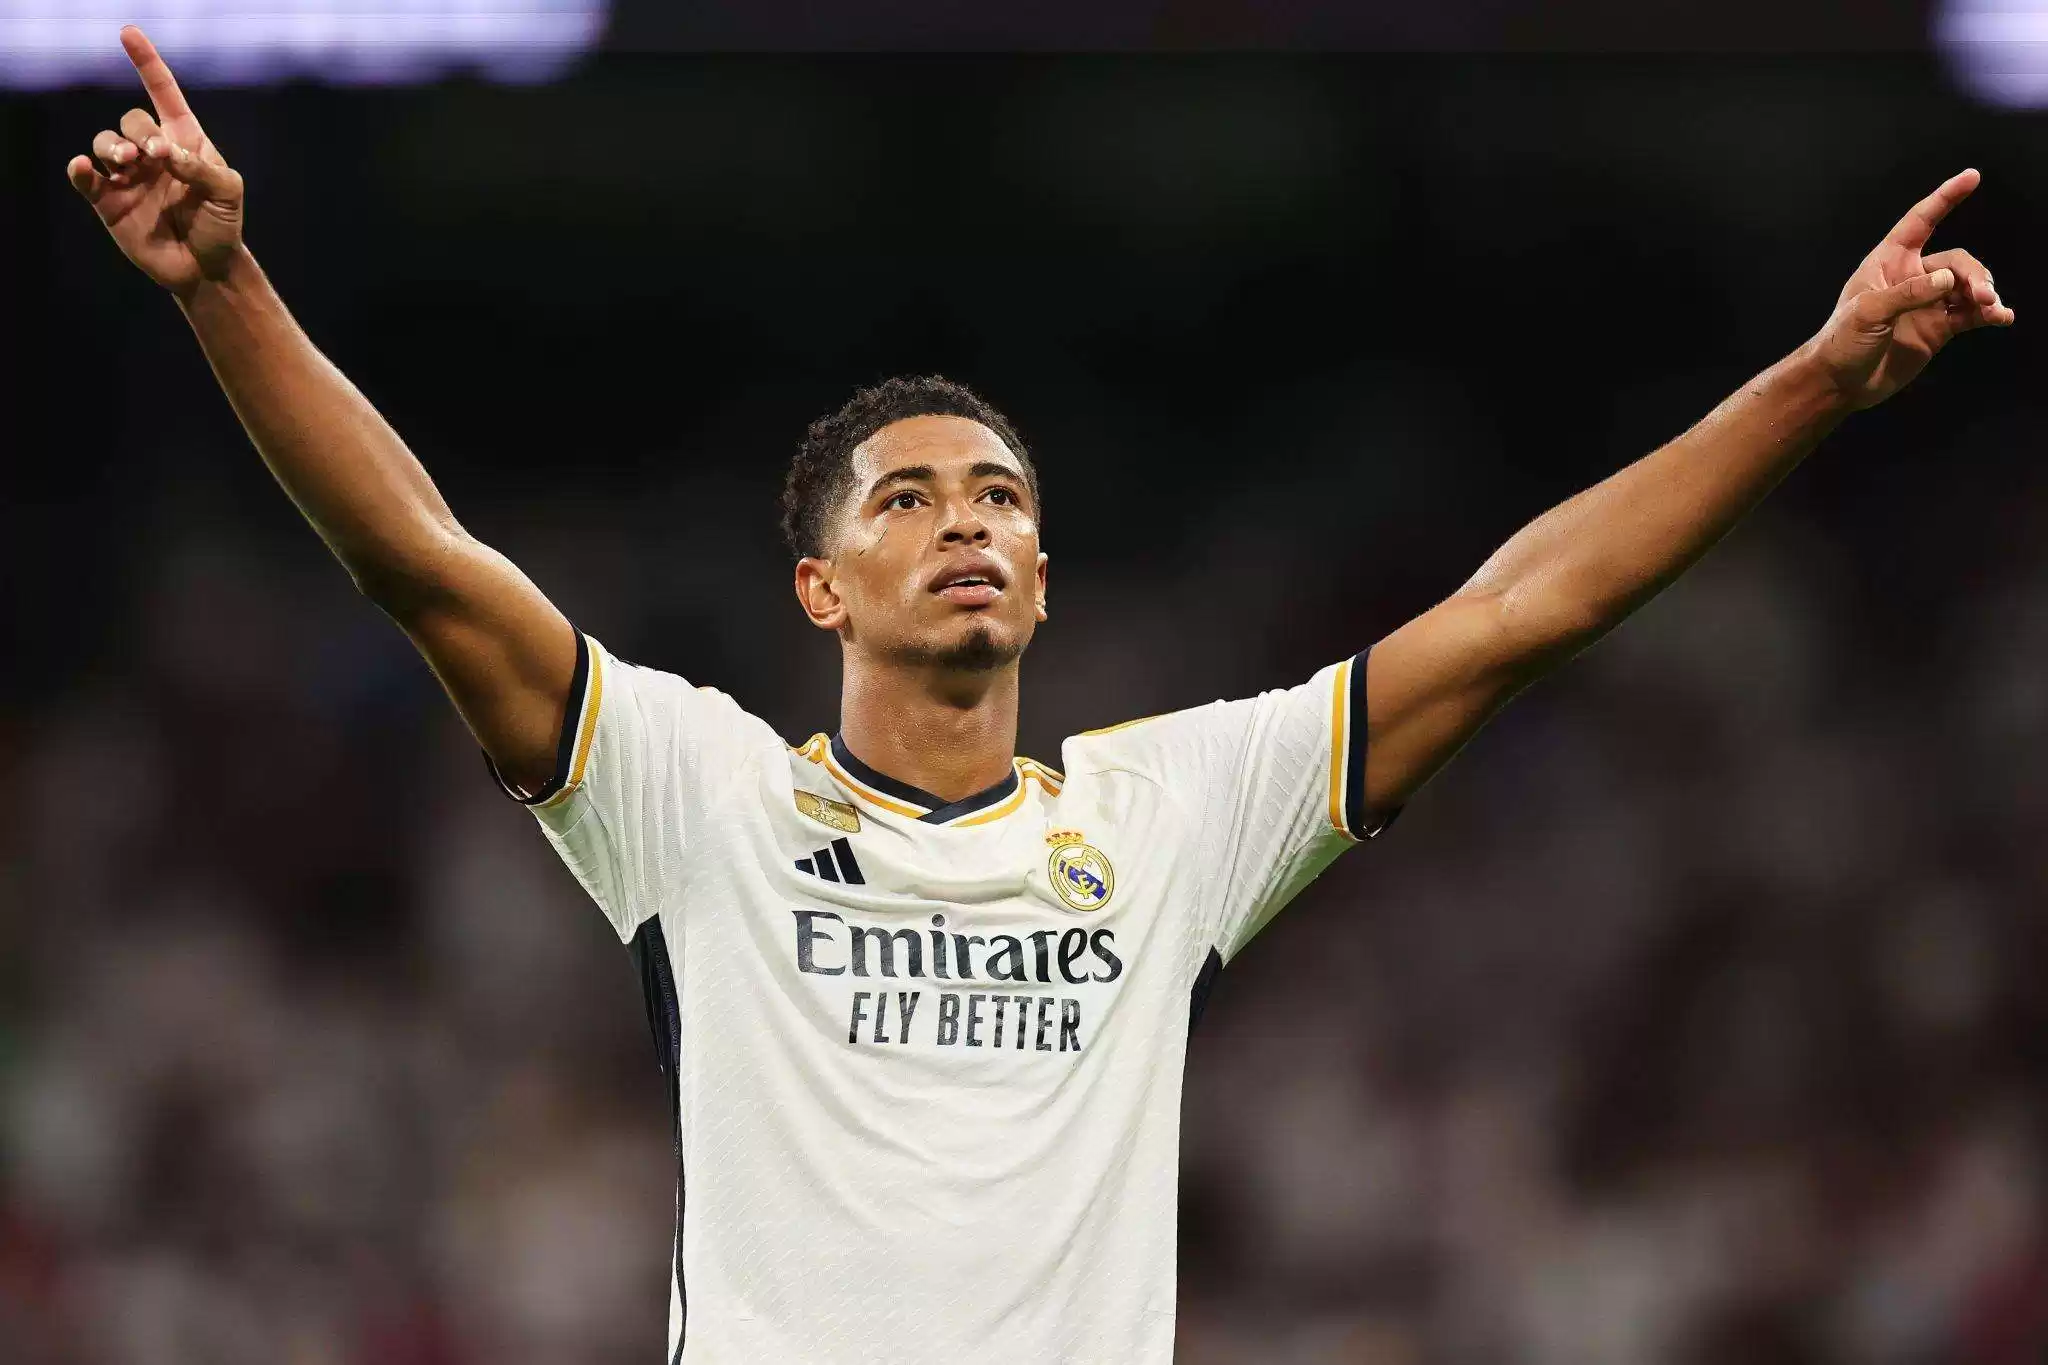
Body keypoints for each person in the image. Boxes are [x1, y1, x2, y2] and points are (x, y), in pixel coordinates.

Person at [68, 24, 2012, 1365]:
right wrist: (223, 284)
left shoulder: (1166, 819)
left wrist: (1816, 382)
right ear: (820, 587)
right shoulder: (699, 798)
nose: (968, 525)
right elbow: (425, 561)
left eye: (1001, 498)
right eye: (908, 499)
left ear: (1047, 578)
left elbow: (1520, 610)